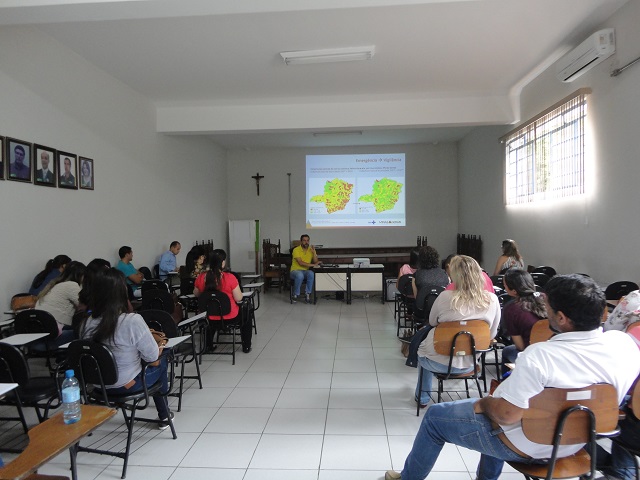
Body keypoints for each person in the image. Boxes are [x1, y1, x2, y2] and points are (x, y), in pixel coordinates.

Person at [385, 274, 640, 480]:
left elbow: (506, 415)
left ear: (561, 318)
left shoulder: (540, 355)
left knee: (436, 418)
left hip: (528, 443)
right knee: (499, 410)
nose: (545, 311)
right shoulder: (626, 345)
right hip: (579, 441)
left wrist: (486, 402)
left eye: (548, 308)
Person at [80, 268, 173, 429]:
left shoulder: (86, 323)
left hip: (99, 387)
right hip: (128, 385)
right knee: (163, 357)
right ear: (122, 293)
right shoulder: (131, 321)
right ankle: (164, 415)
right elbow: (152, 358)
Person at [414, 255, 500, 408]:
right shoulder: (492, 299)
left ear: (454, 275)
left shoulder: (445, 296)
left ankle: (422, 398)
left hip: (437, 361)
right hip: (470, 363)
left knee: (422, 351)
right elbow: (491, 335)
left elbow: (433, 322)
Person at [193, 250, 252, 353]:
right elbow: (239, 298)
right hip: (229, 317)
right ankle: (246, 346)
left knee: (211, 311)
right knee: (247, 310)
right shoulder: (230, 278)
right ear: (223, 263)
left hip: (207, 317)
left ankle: (208, 346)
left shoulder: (201, 277)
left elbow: (197, 294)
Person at [500, 269, 547, 375]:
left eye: (505, 285)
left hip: (531, 355)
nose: (504, 288)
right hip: (552, 352)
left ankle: (506, 381)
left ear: (514, 291)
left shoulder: (511, 309)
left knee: (507, 351)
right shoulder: (545, 298)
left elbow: (520, 347)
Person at [35, 261, 85, 346]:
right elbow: (83, 306)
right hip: (53, 330)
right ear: (80, 275)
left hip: (41, 330)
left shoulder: (55, 283)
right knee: (83, 331)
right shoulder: (72, 285)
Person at [290, 234, 321, 303]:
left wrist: (314, 253)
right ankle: (295, 294)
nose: (306, 242)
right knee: (299, 275)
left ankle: (307, 294)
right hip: (295, 271)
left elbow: (316, 261)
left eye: (307, 240)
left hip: (305, 271)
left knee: (311, 273)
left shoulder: (311, 249)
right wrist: (313, 265)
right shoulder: (296, 250)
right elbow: (300, 263)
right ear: (301, 241)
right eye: (304, 240)